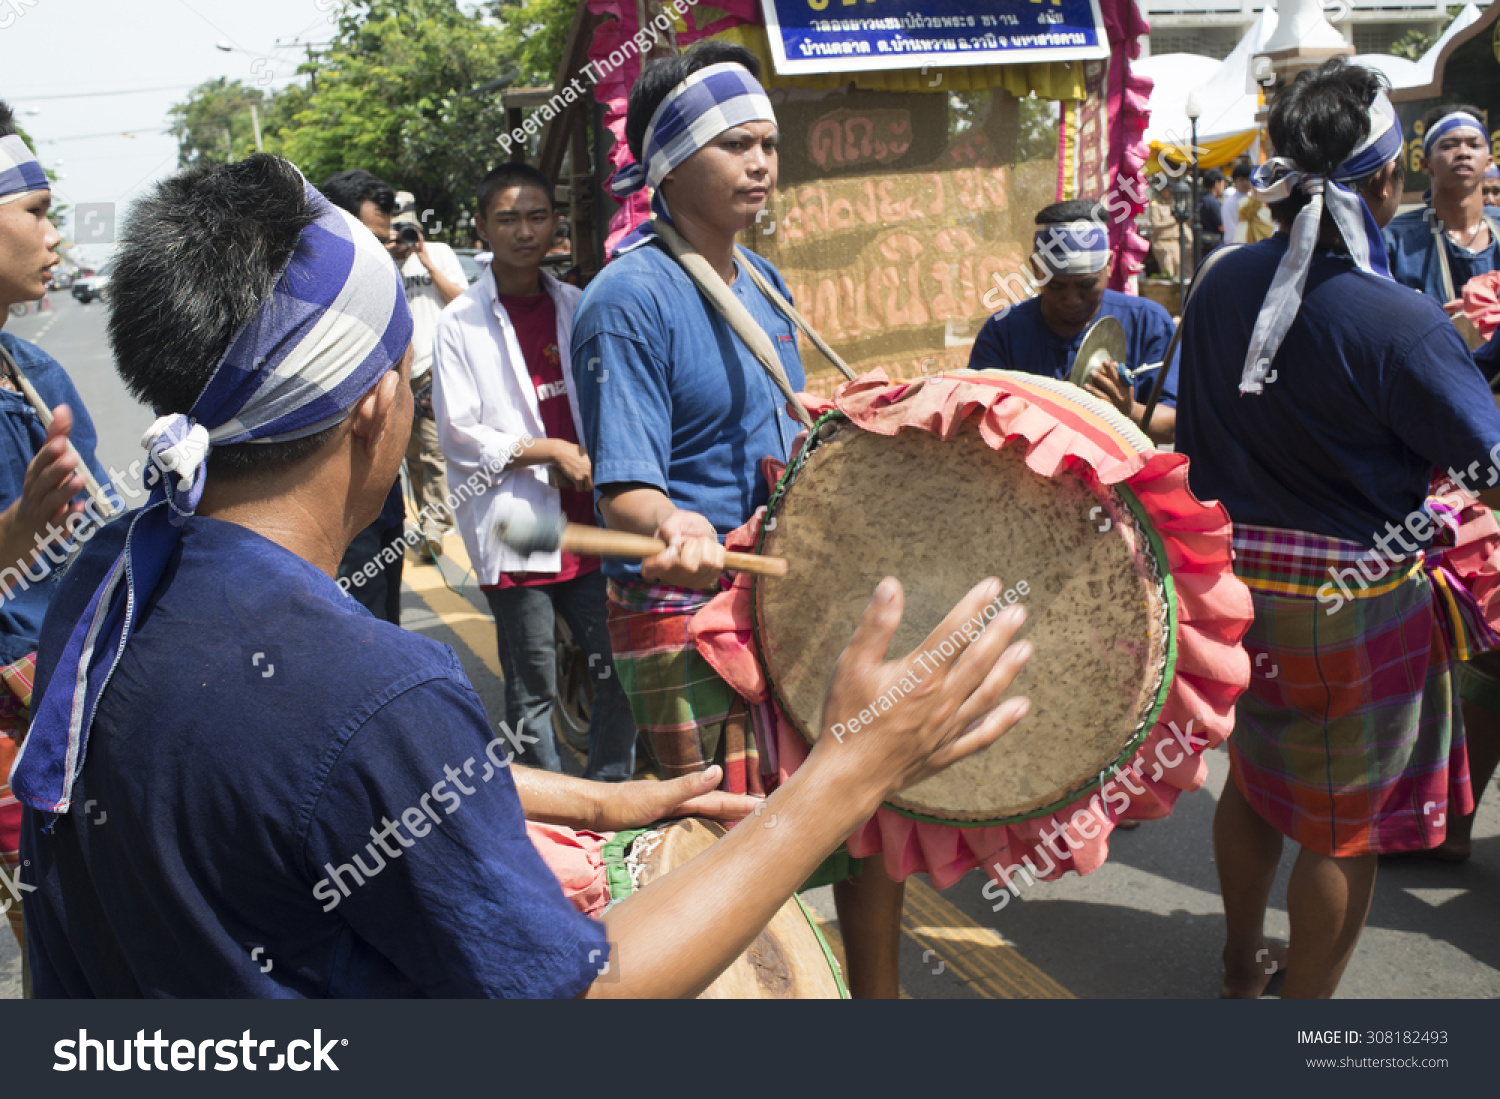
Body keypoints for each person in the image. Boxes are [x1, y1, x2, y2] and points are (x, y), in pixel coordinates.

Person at [9, 153, 1034, 998]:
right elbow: (587, 995)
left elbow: (299, 785)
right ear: (374, 404)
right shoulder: (371, 688)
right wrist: (849, 771)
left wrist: (595, 805)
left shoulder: (116, 575)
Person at [571, 41, 917, 999]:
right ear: (671, 162)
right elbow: (626, 495)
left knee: (862, 812)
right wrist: (673, 521)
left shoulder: (766, 284)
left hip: (788, 600)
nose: (762, 162)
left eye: (769, 143)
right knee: (742, 858)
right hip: (690, 617)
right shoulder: (625, 299)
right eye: (736, 144)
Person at [1175, 61, 1500, 999]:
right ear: (1387, 182)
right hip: (1356, 603)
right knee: (1338, 825)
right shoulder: (1400, 320)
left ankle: (1242, 964)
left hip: (1234, 590)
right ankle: (1305, 1014)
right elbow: (1485, 467)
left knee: (1253, 781)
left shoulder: (1220, 283)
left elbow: (1195, 441)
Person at [432, 162, 637, 781]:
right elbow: (460, 433)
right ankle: (552, 822)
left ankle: (609, 800)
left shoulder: (577, 304)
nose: (525, 231)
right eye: (508, 218)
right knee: (532, 691)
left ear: (556, 223)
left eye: (537, 216)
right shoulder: (459, 322)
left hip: (586, 524)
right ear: (482, 227)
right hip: (517, 526)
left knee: (620, 670)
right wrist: (549, 451)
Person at [0, 105, 118, 956]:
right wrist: (21, 526)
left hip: (68, 706)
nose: (55, 232)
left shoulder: (36, 368)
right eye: (35, 212)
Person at [967, 200, 1180, 443]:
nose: (1071, 299)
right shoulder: (1002, 332)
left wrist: (1128, 411)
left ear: (1109, 265)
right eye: (1056, 286)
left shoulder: (1148, 323)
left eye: (1086, 285)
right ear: (1036, 269)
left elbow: (1173, 424)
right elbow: (977, 424)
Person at [391, 189, 465, 555]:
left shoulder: (440, 254)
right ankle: (427, 521)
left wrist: (426, 262)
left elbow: (461, 300)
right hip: (399, 374)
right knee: (412, 457)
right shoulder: (383, 262)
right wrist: (392, 258)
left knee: (435, 451)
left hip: (436, 368)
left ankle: (435, 525)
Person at [1384, 104, 1500, 312]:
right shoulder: (1395, 241)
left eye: (1474, 145)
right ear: (1425, 164)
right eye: (1449, 146)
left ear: (1488, 163)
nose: (1463, 153)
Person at [1221, 160, 1252, 242]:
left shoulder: (1255, 201)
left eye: (1247, 179)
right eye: (1241, 180)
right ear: (1235, 181)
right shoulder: (1229, 203)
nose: (1245, 183)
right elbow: (1231, 228)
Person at [1198, 168, 1227, 254]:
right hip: (1214, 244)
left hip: (1203, 242)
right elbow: (1221, 226)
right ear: (1217, 183)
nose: (1224, 186)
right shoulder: (1213, 202)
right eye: (1223, 183)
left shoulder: (1201, 199)